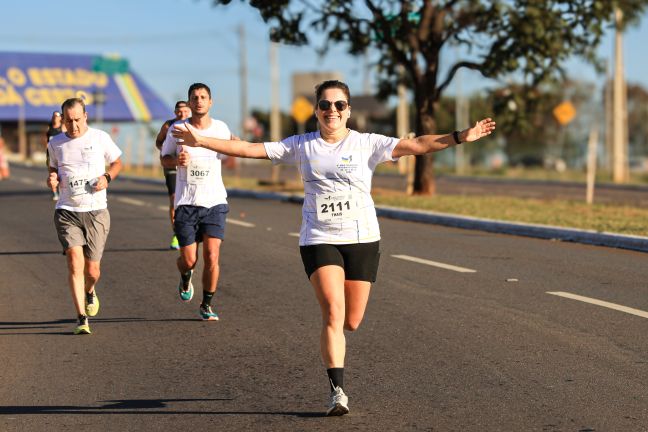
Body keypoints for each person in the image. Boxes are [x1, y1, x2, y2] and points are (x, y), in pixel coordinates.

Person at [172, 80, 496, 416]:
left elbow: (417, 145)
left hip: (362, 238)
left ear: (348, 111)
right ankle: (337, 391)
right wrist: (203, 141)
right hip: (319, 238)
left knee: (352, 321)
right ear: (316, 110)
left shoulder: (366, 143)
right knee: (333, 311)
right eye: (325, 105)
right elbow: (252, 149)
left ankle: (337, 364)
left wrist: (460, 137)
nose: (332, 111)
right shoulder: (302, 145)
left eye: (339, 105)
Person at [46, 97, 123, 335]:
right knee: (74, 261)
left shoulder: (100, 138)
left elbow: (117, 162)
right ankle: (81, 318)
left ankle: (90, 290)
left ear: (85, 116)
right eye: (68, 121)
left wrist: (107, 178)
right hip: (67, 210)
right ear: (62, 120)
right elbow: (52, 167)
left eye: (77, 120)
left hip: (96, 211)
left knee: (92, 271)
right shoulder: (55, 143)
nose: (73, 125)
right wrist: (52, 177)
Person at [161, 83, 235, 321]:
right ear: (189, 103)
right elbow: (164, 159)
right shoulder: (178, 128)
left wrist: (237, 148)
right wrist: (175, 162)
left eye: (204, 97)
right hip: (187, 203)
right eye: (195, 97)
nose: (199, 100)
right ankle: (185, 276)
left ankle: (207, 304)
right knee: (189, 260)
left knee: (212, 256)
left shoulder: (221, 129)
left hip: (214, 201)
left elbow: (229, 154)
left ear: (210, 102)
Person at [155, 100, 192, 249]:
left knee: (188, 198)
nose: (182, 114)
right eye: (179, 112)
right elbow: (158, 142)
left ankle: (190, 229)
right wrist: (166, 150)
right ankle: (177, 234)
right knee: (174, 199)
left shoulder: (193, 124)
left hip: (188, 165)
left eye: (185, 111)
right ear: (175, 112)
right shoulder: (168, 125)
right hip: (172, 164)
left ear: (189, 111)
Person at [46, 111, 66, 200]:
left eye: (57, 116)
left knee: (62, 173)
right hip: (50, 154)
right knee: (52, 174)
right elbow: (46, 139)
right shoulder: (49, 128)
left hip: (61, 155)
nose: (56, 117)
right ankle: (55, 193)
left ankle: (63, 192)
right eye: (54, 116)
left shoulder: (63, 127)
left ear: (60, 118)